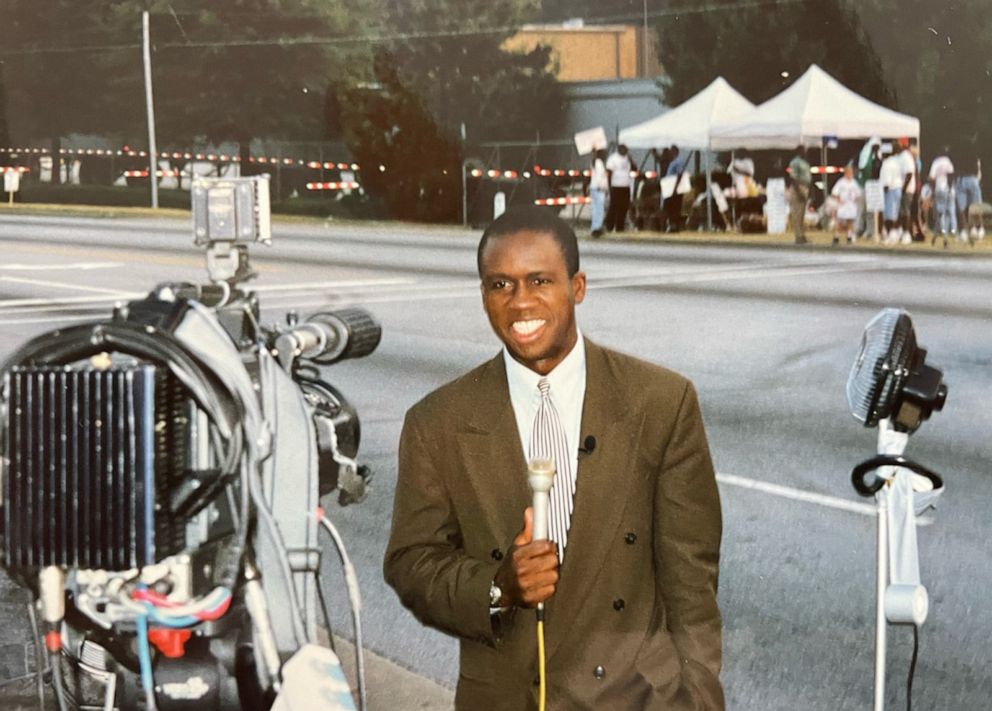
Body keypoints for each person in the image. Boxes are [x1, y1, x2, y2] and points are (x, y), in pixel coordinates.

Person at [384, 207, 724, 710]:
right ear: (483, 295)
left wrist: (700, 703)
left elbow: (691, 583)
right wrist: (498, 588)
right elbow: (412, 564)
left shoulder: (659, 401)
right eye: (500, 284)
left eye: (539, 280)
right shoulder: (438, 421)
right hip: (509, 697)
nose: (520, 303)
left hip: (636, 697)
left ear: (578, 286)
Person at [928, 148, 956, 245]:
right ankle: (950, 232)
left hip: (939, 189)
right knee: (949, 212)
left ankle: (942, 233)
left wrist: (932, 189)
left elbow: (931, 177)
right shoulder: (948, 161)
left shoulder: (936, 162)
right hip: (949, 190)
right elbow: (951, 174)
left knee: (941, 213)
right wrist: (950, 187)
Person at [956, 148, 984, 242]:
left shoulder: (959, 155)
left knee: (962, 208)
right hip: (973, 179)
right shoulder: (975, 157)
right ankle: (978, 229)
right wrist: (977, 181)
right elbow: (978, 171)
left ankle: (965, 231)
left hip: (962, 179)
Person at [830, 163, 862, 245]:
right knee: (840, 222)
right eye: (849, 172)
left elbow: (858, 193)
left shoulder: (854, 182)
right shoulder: (841, 182)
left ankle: (849, 237)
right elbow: (834, 192)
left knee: (850, 222)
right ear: (846, 173)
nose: (851, 174)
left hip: (851, 205)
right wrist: (838, 199)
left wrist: (856, 199)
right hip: (843, 206)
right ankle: (836, 237)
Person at [879, 146, 905, 244]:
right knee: (895, 212)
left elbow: (887, 180)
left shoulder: (887, 164)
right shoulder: (896, 162)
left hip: (890, 189)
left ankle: (891, 235)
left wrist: (885, 190)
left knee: (889, 214)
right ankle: (896, 233)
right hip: (898, 188)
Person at [604, 144, 633, 232]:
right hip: (616, 186)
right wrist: (609, 187)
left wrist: (631, 160)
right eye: (624, 150)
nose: (626, 151)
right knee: (614, 206)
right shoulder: (613, 159)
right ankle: (609, 225)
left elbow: (634, 169)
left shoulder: (627, 159)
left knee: (624, 207)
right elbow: (609, 173)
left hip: (625, 186)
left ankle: (620, 227)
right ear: (619, 149)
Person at [787, 145, 812, 244]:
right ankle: (798, 236)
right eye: (803, 150)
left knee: (802, 213)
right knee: (796, 213)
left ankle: (802, 234)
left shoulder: (805, 162)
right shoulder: (795, 162)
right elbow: (793, 178)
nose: (805, 152)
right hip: (798, 187)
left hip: (805, 186)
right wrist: (799, 192)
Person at [663, 145, 688, 232]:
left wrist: (675, 188)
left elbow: (679, 174)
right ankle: (671, 224)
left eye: (670, 151)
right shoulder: (672, 162)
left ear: (674, 151)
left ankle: (675, 226)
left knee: (675, 207)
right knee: (669, 207)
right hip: (669, 187)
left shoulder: (678, 162)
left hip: (675, 189)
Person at [589, 148, 608, 238]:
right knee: (599, 209)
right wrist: (603, 187)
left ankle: (594, 227)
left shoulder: (594, 162)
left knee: (595, 208)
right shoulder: (599, 163)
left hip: (594, 187)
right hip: (599, 188)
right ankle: (597, 227)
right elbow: (600, 177)